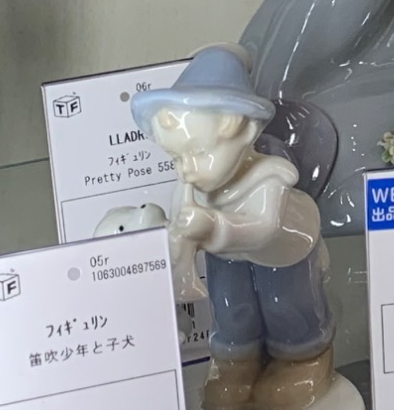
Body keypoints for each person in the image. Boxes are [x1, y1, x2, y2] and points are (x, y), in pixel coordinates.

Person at [133, 45, 338, 410]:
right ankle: (235, 362)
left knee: (285, 306)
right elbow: (182, 224)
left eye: (199, 153)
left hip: (283, 253)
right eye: (177, 158)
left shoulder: (270, 176)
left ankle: (303, 359)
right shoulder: (193, 182)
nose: (187, 169)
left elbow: (264, 229)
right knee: (229, 306)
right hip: (228, 257)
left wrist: (212, 224)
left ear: (242, 130)